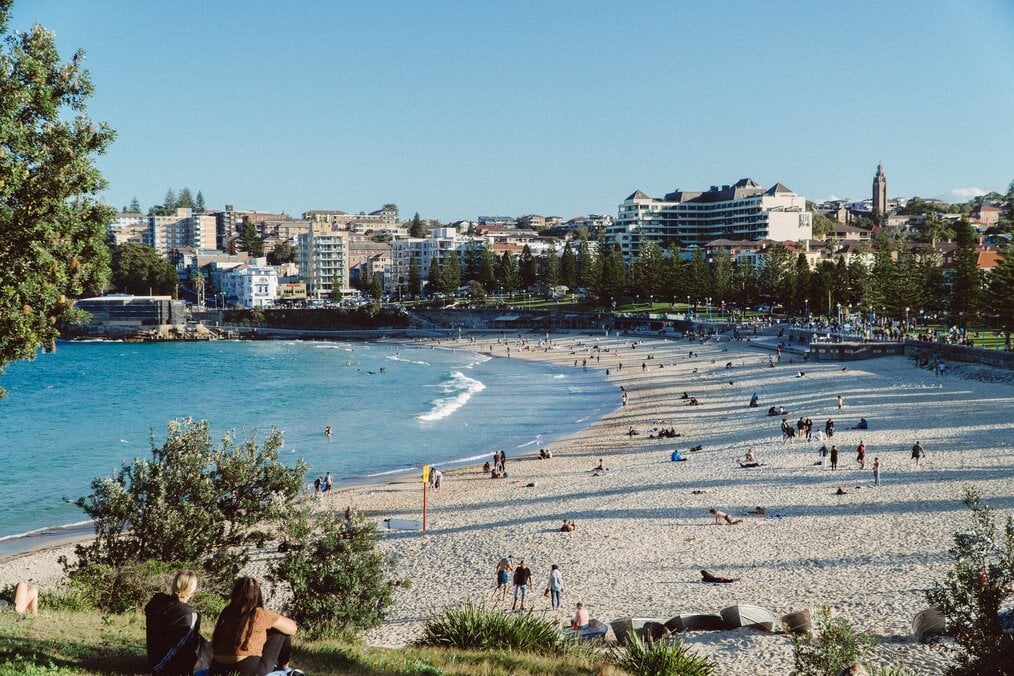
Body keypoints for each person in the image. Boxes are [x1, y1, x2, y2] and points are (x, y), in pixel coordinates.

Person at [210, 577, 298, 676]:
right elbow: (292, 629)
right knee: (281, 632)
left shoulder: (226, 612)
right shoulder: (259, 613)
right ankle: (285, 669)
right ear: (257, 595)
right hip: (246, 669)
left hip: (216, 668)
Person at [146, 570, 212, 675]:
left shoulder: (157, 602)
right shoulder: (190, 614)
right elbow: (186, 645)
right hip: (169, 666)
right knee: (208, 647)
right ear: (191, 590)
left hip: (153, 657)